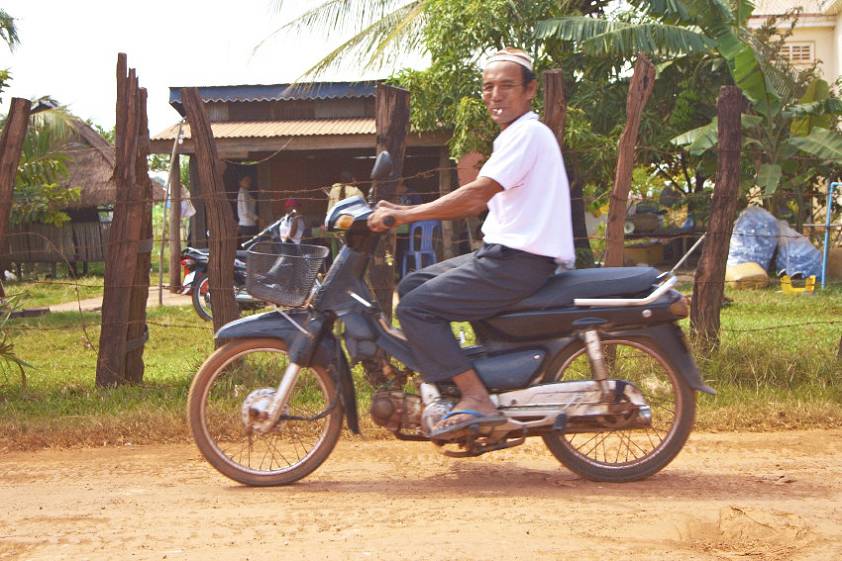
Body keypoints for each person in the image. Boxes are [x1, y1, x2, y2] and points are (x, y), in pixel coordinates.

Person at [367, 47, 575, 440]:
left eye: (507, 86)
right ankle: (451, 383)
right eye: (488, 87)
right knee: (412, 285)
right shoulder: (517, 135)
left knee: (414, 309)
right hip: (505, 254)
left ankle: (476, 397)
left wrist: (407, 214)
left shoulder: (527, 134)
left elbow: (476, 196)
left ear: (530, 91)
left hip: (519, 261)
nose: (495, 95)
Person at [236, 175, 259, 245]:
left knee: (251, 245)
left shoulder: (246, 192)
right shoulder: (243, 193)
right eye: (246, 180)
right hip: (246, 225)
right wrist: (258, 219)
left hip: (249, 224)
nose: (248, 182)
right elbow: (246, 211)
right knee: (249, 246)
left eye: (249, 180)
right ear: (240, 182)